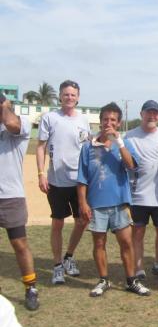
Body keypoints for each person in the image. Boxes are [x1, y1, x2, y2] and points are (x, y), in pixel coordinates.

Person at [77, 102, 150, 297]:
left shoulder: (123, 144)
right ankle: (103, 280)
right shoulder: (88, 147)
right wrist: (83, 203)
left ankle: (131, 280)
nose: (108, 123)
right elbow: (82, 179)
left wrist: (119, 143)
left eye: (113, 120)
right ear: (100, 122)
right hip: (96, 204)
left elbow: (131, 165)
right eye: (105, 119)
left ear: (119, 123)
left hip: (119, 203)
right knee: (99, 244)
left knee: (126, 243)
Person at [36, 80, 91, 284]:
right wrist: (41, 173)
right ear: (60, 96)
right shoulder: (50, 118)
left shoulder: (84, 120)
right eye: (66, 94)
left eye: (73, 95)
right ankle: (57, 265)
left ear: (78, 97)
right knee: (57, 223)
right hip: (56, 182)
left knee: (82, 220)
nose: (69, 98)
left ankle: (69, 256)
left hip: (79, 182)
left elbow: (88, 148)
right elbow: (41, 146)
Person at [125, 100, 158, 281]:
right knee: (138, 231)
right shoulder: (130, 136)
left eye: (155, 113)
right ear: (141, 114)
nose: (151, 116)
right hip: (138, 195)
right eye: (148, 112)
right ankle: (138, 267)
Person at [0, 96, 39, 310]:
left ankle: (30, 287)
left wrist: (3, 105)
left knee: (19, 244)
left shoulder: (19, 122)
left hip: (10, 196)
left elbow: (10, 123)